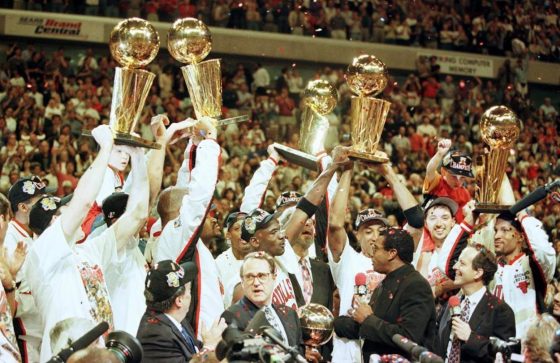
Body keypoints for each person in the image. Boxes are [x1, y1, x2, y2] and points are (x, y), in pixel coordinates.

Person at [24, 125, 149, 361]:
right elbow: (82, 203)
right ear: (53, 223)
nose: (74, 214)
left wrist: (139, 156)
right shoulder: (42, 254)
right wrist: (105, 150)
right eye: (64, 211)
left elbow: (138, 214)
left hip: (100, 355)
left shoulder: (89, 251)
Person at [327, 160, 424, 362]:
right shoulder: (347, 259)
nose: (374, 236)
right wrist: (347, 170)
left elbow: (416, 222)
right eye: (367, 231)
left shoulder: (395, 261)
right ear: (357, 234)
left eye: (380, 231)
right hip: (349, 351)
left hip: (384, 350)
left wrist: (389, 174)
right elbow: (335, 224)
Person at [154, 116, 224, 337]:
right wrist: (210, 142)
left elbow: (184, 186)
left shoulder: (165, 230)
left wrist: (193, 147)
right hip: (197, 339)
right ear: (179, 211)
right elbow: (198, 196)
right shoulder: (175, 236)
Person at [334, 228, 436, 360]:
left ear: (391, 253)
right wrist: (338, 323)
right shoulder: (383, 284)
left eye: (376, 249)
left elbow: (409, 338)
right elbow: (372, 327)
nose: (372, 254)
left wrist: (367, 319)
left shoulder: (416, 286)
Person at [431, 245, 516, 362]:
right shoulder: (451, 304)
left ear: (478, 273)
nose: (455, 267)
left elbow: (503, 356)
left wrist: (470, 338)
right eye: (457, 262)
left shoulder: (500, 311)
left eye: (462, 263)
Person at [221, 252, 308, 358]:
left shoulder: (290, 314)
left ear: (274, 277)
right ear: (242, 282)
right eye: (249, 277)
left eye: (261, 276)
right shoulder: (232, 316)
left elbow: (299, 351)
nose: (256, 282)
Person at [137, 260, 226, 362]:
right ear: (179, 300)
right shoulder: (155, 336)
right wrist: (208, 347)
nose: (190, 295)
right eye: (189, 290)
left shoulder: (176, 318)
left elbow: (194, 352)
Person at [5, 176, 45, 362]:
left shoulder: (35, 232)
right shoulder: (8, 238)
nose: (46, 205)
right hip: (25, 331)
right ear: (23, 207)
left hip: (40, 327)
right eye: (40, 202)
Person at [423, 139, 474, 222]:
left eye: (462, 177)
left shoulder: (465, 193)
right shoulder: (437, 182)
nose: (458, 182)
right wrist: (439, 154)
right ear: (443, 171)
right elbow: (430, 171)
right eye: (454, 176)